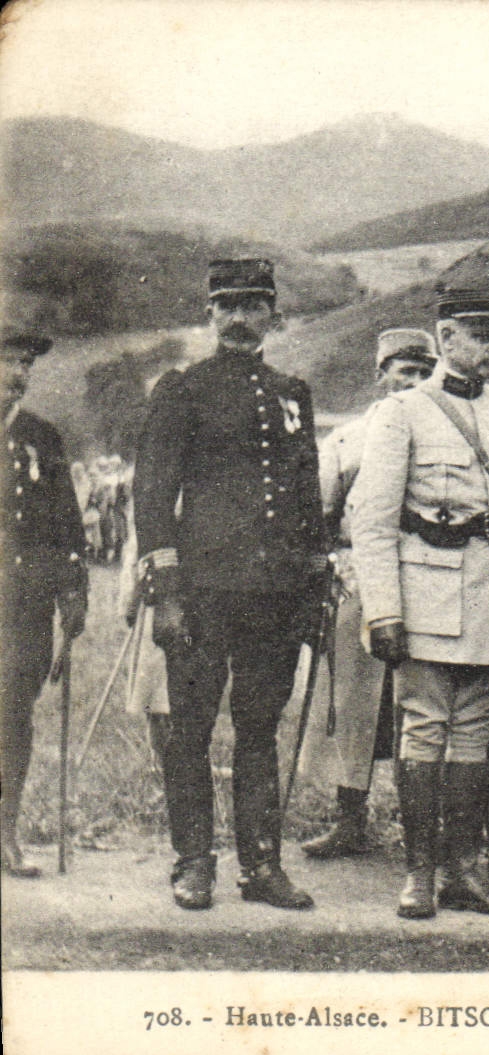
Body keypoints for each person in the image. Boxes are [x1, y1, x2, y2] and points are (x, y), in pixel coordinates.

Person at [133, 259, 327, 911]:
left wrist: (312, 579)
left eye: (254, 305)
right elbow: (153, 493)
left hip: (272, 594)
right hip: (202, 591)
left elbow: (306, 497)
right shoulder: (183, 389)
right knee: (189, 726)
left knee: (259, 726)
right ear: (210, 314)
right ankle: (194, 862)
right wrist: (164, 591)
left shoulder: (292, 392)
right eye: (228, 306)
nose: (240, 318)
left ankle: (262, 867)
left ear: (273, 314)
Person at [350, 290, 489, 920]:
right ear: (446, 336)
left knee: (474, 735)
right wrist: (383, 610)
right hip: (425, 592)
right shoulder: (403, 411)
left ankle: (465, 870)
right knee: (425, 728)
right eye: (481, 334)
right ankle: (420, 874)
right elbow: (374, 522)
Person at [298, 328, 437, 860]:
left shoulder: (443, 431)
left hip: (428, 578)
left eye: (426, 373)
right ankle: (350, 819)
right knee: (356, 705)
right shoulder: (348, 439)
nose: (417, 382)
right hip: (359, 583)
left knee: (421, 703)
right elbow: (319, 518)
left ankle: (422, 825)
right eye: (406, 372)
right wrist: (323, 575)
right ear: (381, 376)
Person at [1, 328, 88, 877]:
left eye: (24, 365)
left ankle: (3, 834)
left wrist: (74, 589)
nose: (18, 375)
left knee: (10, 716)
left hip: (21, 604)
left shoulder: (41, 437)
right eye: (7, 363)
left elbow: (67, 523)